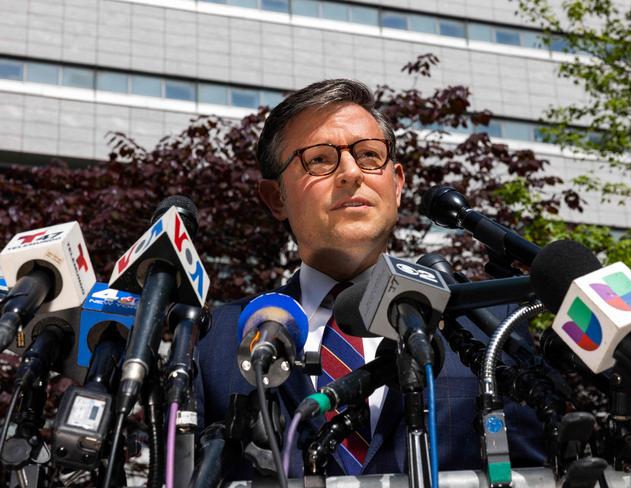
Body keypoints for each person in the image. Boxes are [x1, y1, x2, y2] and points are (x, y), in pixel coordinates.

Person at [195, 79, 545, 481]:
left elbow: (535, 473)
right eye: (320, 160)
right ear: (276, 198)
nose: (351, 173)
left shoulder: (487, 324)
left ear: (396, 184)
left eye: (368, 155)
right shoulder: (214, 340)